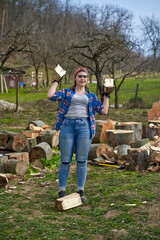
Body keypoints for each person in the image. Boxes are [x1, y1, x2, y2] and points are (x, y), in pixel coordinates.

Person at [48, 67, 114, 202]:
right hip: (67, 126)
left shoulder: (91, 96)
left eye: (85, 76)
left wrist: (107, 95)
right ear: (75, 78)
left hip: (84, 127)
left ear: (87, 79)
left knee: (82, 160)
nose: (82, 78)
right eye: (80, 76)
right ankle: (61, 190)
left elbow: (104, 111)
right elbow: (51, 96)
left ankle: (80, 190)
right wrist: (56, 80)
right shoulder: (66, 92)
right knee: (65, 160)